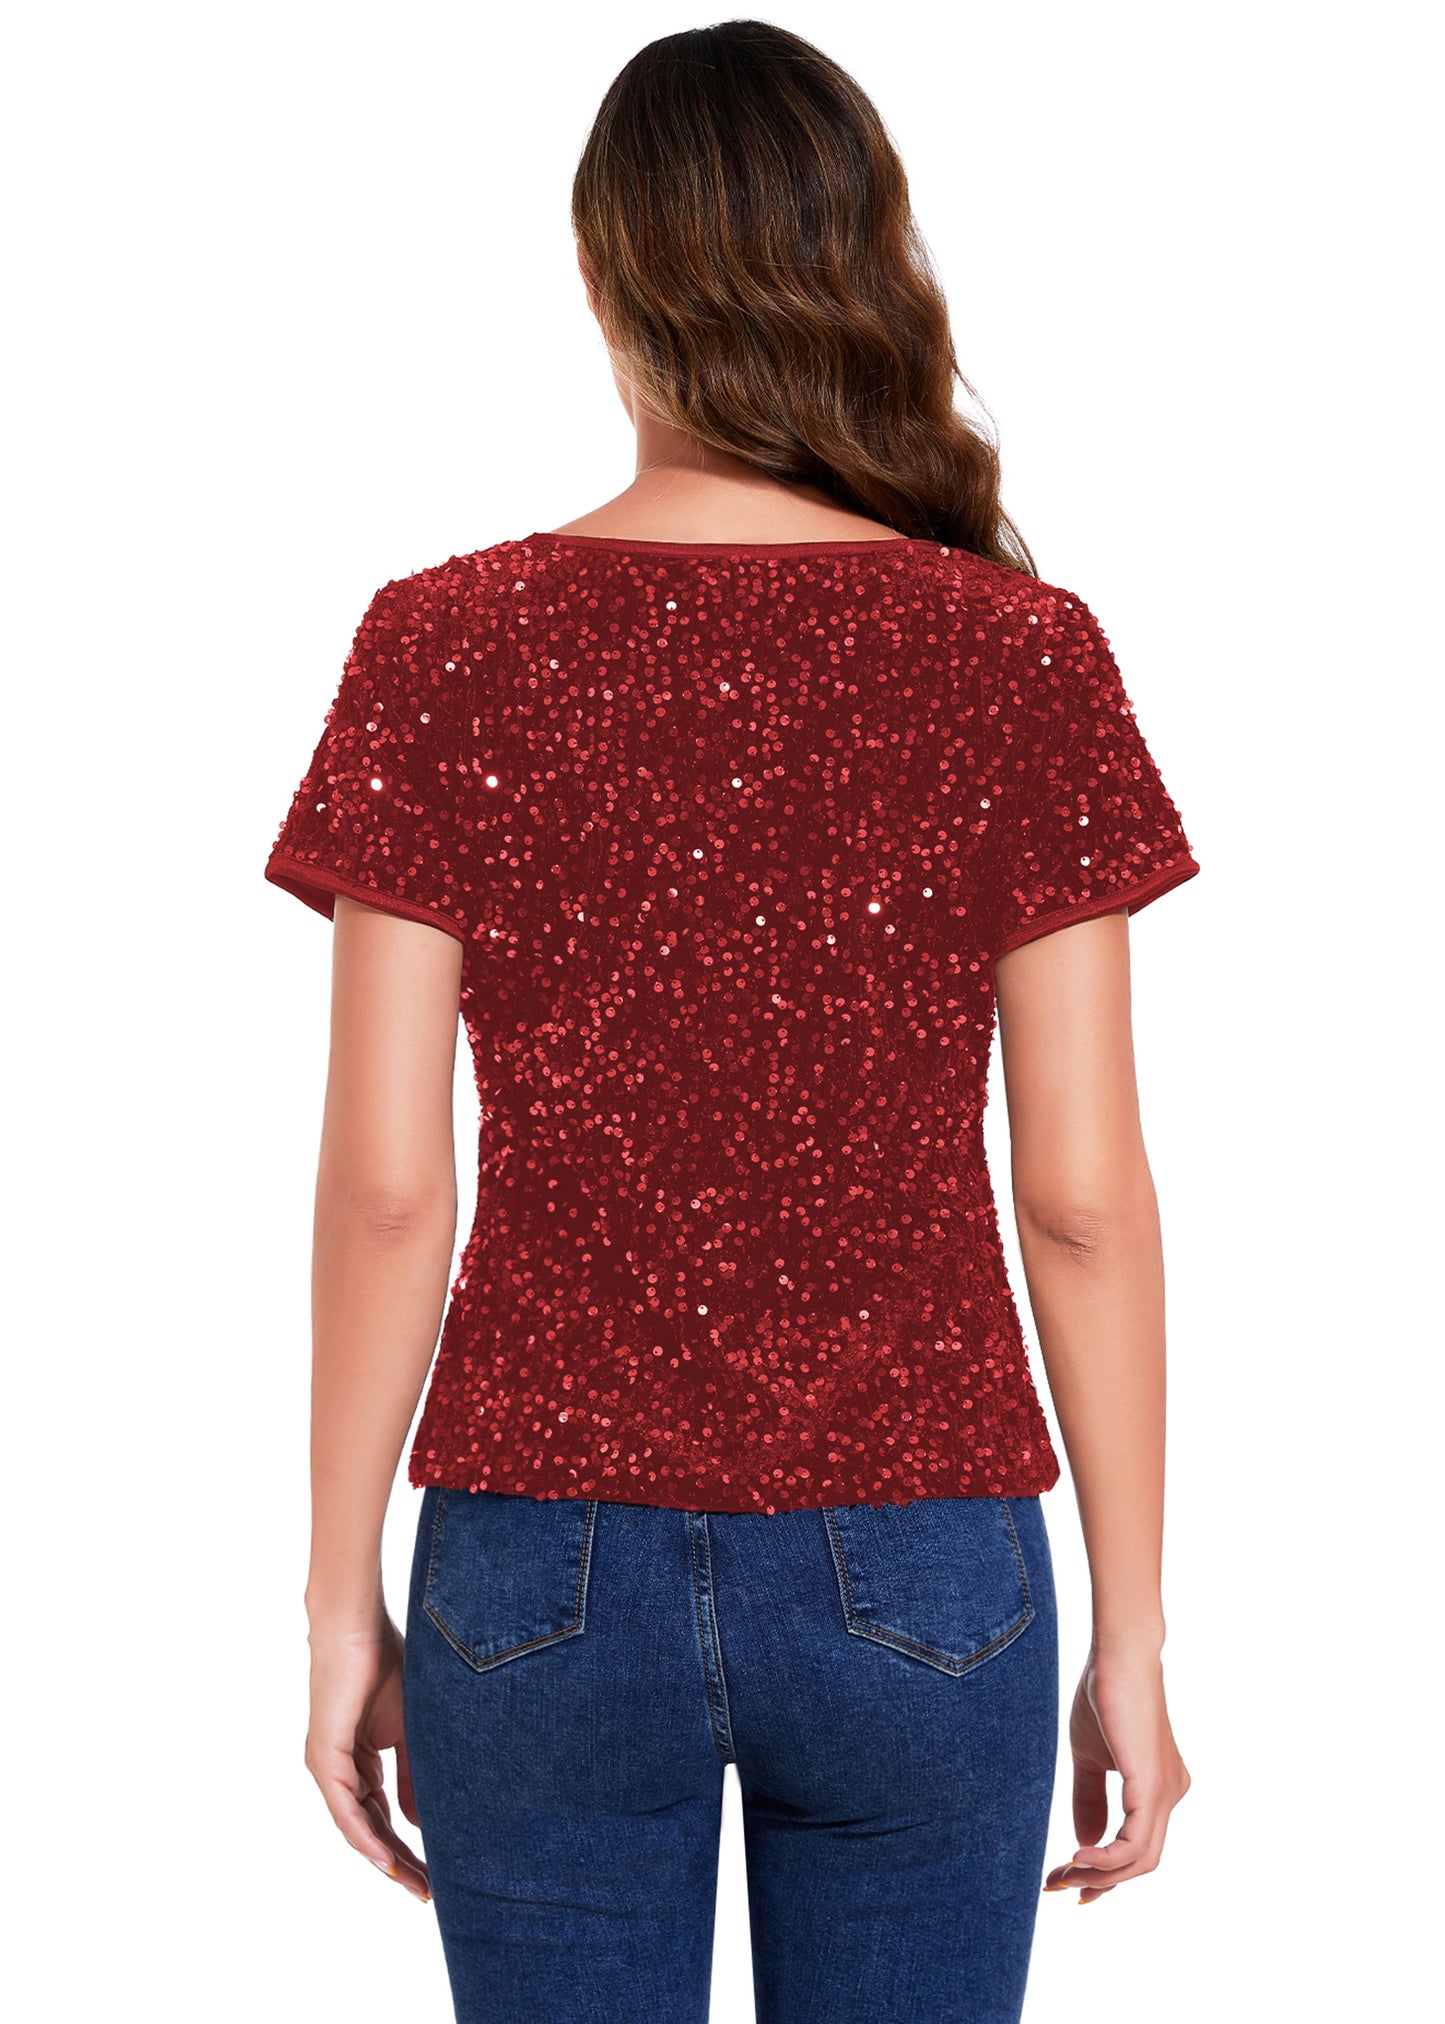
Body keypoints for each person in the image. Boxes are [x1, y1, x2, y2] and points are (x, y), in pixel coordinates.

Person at [264, 22, 1196, 2023]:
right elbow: (1084, 1196)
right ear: (868, 266)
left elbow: (386, 1190)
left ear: (600, 275)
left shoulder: (445, 643)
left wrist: (341, 1596)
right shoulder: (1017, 655)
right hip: (925, 1561)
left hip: (535, 1569)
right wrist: (1131, 1629)